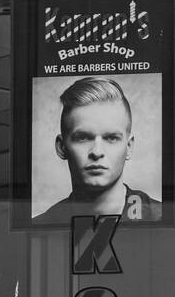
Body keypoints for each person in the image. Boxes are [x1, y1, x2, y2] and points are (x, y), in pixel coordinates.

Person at [32, 77, 161, 225]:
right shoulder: (42, 226)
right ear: (61, 147)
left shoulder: (159, 217)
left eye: (111, 138)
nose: (97, 152)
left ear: (129, 147)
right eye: (82, 138)